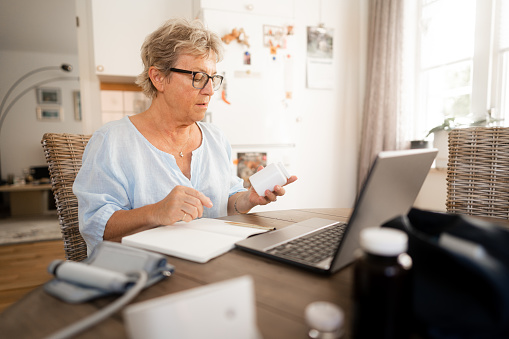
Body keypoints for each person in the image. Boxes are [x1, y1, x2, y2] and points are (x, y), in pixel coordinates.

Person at [73, 18, 298, 255]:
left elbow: (226, 201)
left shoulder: (215, 138)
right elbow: (95, 225)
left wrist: (248, 199)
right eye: (198, 77)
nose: (210, 90)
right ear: (158, 77)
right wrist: (155, 212)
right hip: (144, 275)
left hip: (211, 265)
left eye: (213, 78)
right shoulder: (111, 141)